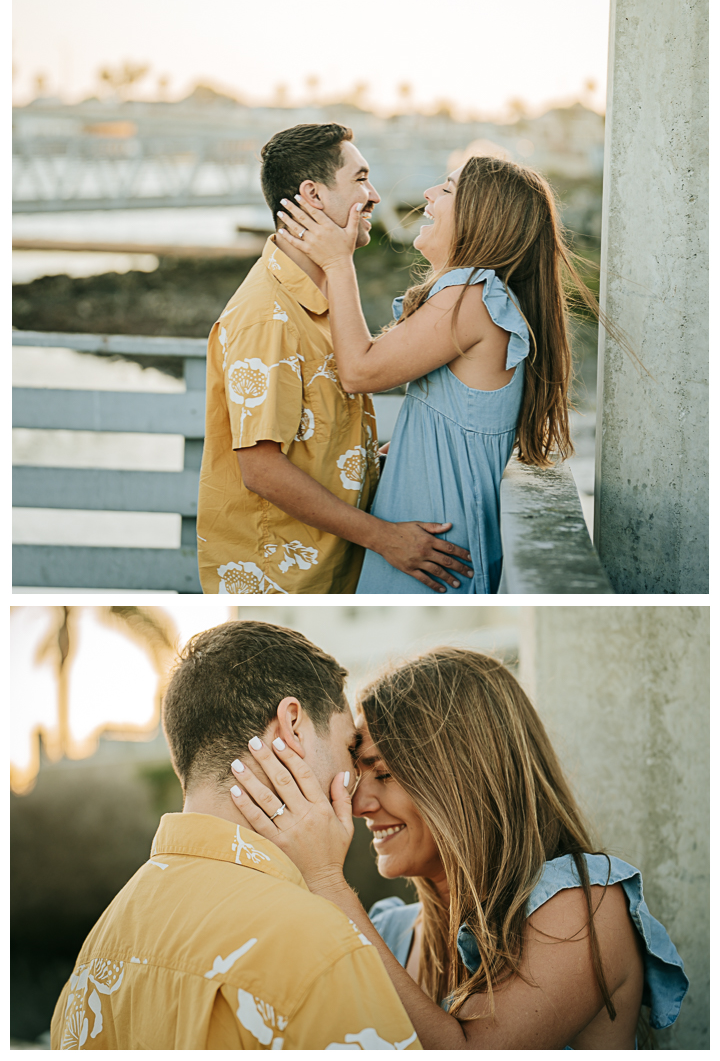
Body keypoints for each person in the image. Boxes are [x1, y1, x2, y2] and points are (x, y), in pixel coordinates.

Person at [228, 647, 689, 1050]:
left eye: (383, 774)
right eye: (357, 776)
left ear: (464, 780)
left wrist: (327, 881)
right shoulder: (387, 934)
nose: (359, 804)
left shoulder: (588, 907)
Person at [50, 620, 422, 1051]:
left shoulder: (99, 948)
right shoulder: (321, 948)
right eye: (349, 748)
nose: (354, 786)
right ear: (292, 726)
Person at [277, 154, 618, 593]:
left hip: (433, 550)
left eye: (448, 189)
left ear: (482, 218)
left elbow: (359, 372)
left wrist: (338, 263)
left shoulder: (472, 297)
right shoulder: (476, 297)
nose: (428, 194)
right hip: (428, 538)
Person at [196, 122, 473, 595]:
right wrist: (385, 538)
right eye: (361, 179)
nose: (375, 196)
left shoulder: (322, 295)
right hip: (280, 579)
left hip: (332, 566)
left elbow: (318, 435)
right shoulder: (267, 314)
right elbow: (261, 469)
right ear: (313, 194)